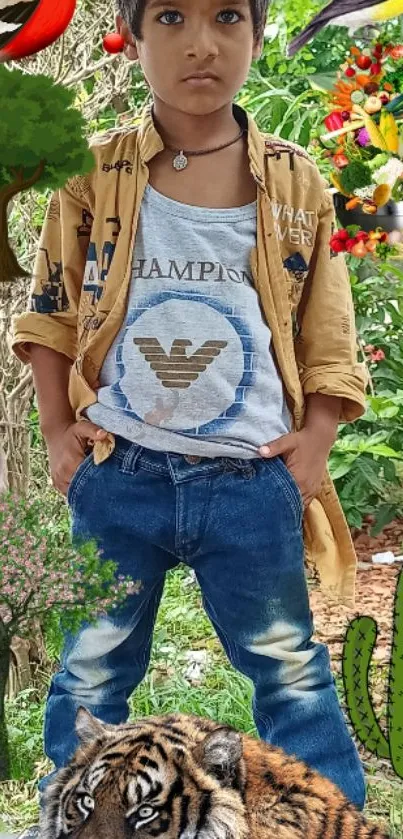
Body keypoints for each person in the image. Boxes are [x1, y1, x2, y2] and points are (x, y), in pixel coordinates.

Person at [12, 0, 368, 834]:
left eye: (226, 17)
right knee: (89, 671)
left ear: (257, 32)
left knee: (288, 668)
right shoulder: (92, 172)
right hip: (120, 475)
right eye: (169, 16)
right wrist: (59, 428)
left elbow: (327, 324)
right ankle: (69, 820)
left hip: (251, 480)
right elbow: (51, 311)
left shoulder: (294, 179)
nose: (200, 43)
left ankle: (332, 823)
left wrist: (315, 439)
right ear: (131, 38)